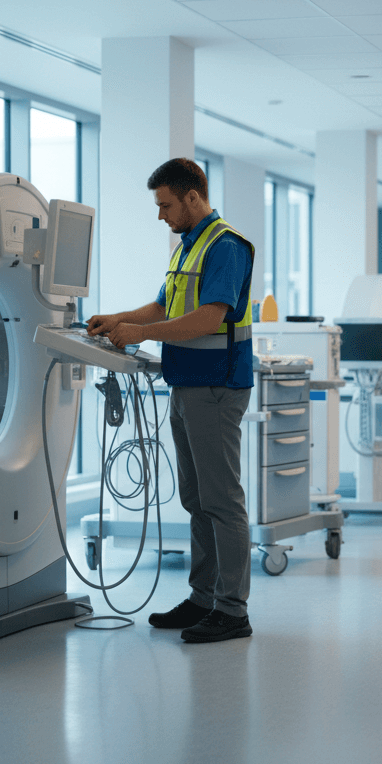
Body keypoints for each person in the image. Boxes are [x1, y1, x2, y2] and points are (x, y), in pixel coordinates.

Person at [86, 158, 255, 644]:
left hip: (216, 387)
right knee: (196, 499)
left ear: (192, 198)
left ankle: (232, 610)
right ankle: (204, 599)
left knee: (222, 500)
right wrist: (115, 318)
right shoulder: (190, 248)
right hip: (185, 385)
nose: (161, 215)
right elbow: (163, 306)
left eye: (165, 205)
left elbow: (207, 318)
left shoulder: (225, 246)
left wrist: (139, 333)